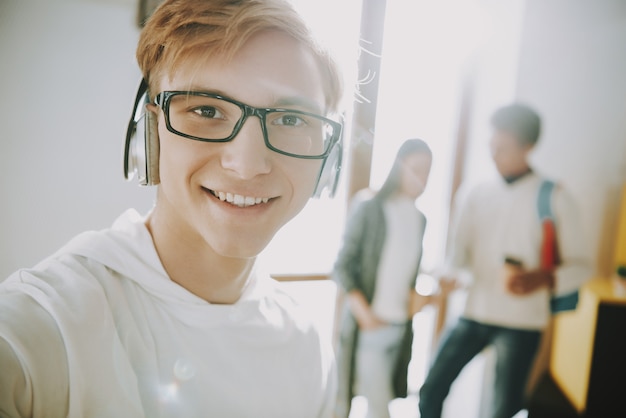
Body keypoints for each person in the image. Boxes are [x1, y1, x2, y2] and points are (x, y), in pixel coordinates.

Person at [0, 0, 346, 417]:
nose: (248, 164)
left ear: (328, 158)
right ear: (150, 133)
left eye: (290, 120)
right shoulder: (44, 330)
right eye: (206, 110)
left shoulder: (307, 346)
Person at [418, 103, 592, 418]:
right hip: (475, 310)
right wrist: (448, 275)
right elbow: (456, 258)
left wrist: (541, 278)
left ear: (528, 146)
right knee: (430, 390)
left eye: (503, 148)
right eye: (491, 146)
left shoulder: (555, 197)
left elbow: (583, 266)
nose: (494, 155)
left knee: (504, 410)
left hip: (524, 321)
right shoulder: (475, 193)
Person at [332, 139, 435, 418]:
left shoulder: (420, 218)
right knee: (376, 408)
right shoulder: (370, 206)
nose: (421, 177)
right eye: (415, 168)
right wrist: (364, 315)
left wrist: (421, 297)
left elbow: (406, 275)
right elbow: (343, 265)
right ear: (398, 167)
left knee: (380, 402)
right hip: (370, 326)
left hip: (401, 327)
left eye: (427, 170)